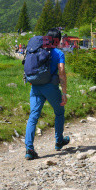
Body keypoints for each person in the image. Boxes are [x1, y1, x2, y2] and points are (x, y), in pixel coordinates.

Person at [25, 28, 70, 160]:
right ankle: (59, 141)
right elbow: (61, 72)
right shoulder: (58, 53)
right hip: (50, 87)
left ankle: (29, 149)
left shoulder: (37, 49)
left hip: (35, 86)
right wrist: (64, 92)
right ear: (58, 40)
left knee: (33, 116)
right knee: (59, 112)